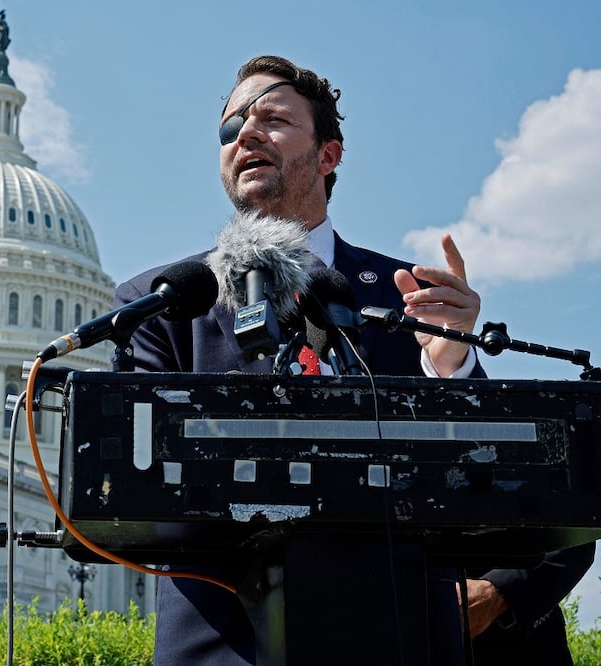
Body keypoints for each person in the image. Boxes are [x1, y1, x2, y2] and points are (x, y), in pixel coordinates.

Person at [114, 55, 593, 664]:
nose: (247, 134)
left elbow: (503, 487)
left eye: (273, 118)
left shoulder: (406, 301)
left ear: (328, 155)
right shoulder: (159, 302)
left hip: (394, 634)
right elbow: (144, 487)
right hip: (226, 643)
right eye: (231, 127)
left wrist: (451, 367)